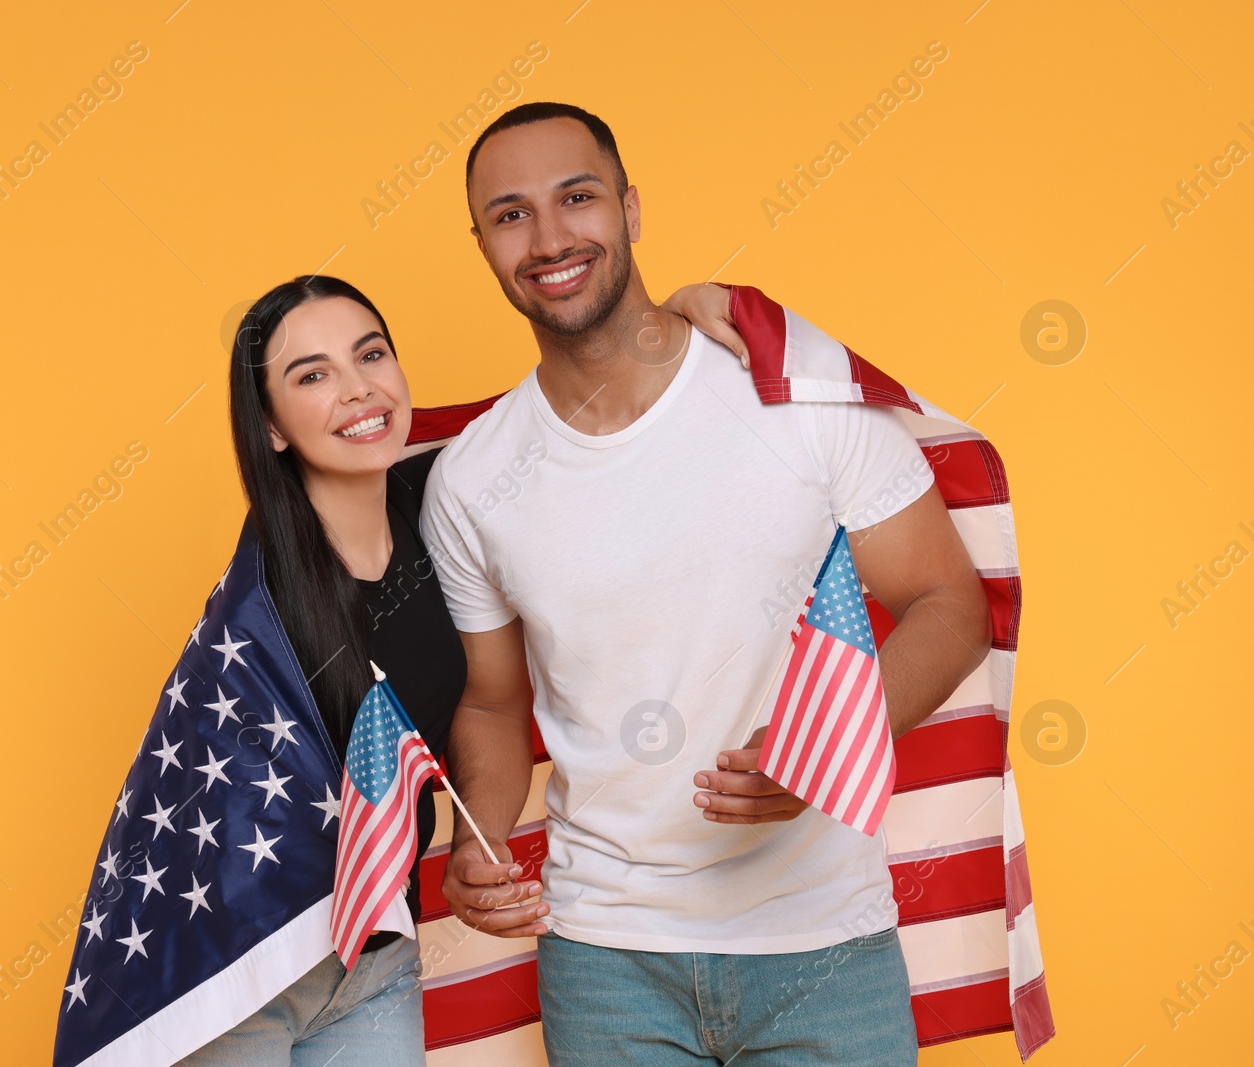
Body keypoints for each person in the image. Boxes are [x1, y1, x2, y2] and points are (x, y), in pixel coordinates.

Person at [425, 102, 993, 1065]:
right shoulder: (474, 480)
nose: (552, 237)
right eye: (511, 214)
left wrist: (830, 746)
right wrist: (474, 837)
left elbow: (953, 606)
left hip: (825, 945)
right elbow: (492, 700)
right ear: (480, 243)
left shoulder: (793, 399)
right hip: (607, 953)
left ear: (632, 209)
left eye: (579, 197)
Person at [172, 270, 746, 1065]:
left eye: (370, 354)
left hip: (373, 951)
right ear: (269, 426)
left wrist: (675, 314)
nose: (357, 389)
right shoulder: (260, 605)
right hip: (244, 956)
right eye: (312, 375)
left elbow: (560, 409)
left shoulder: (438, 495)